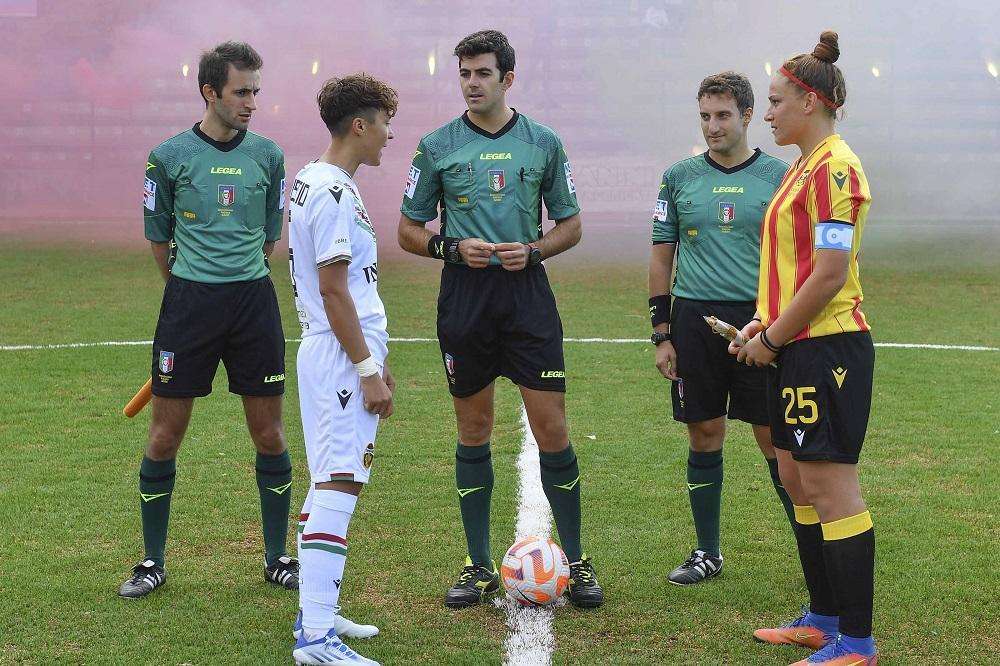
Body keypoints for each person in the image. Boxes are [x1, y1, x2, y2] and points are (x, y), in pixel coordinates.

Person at [397, 29, 603, 609]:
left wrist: (534, 250)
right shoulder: (436, 146)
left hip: (526, 298)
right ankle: (478, 564)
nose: (471, 83)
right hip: (465, 299)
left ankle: (579, 561)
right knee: (473, 430)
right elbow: (408, 230)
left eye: (482, 73)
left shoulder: (543, 143)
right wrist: (449, 249)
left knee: (552, 429)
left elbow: (572, 225)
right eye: (464, 73)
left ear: (507, 79)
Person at [120, 41, 295, 598]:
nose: (251, 102)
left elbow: (272, 234)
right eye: (241, 91)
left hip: (252, 305)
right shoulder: (168, 156)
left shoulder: (268, 155)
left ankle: (276, 557)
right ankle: (151, 561)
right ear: (209, 92)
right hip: (189, 306)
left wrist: (235, 281)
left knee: (269, 434)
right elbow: (158, 238)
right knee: (165, 434)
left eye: (255, 92)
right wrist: (192, 291)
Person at [733, 31, 878, 666]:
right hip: (793, 342)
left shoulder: (837, 166)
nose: (766, 114)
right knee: (795, 476)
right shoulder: (803, 165)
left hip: (828, 346)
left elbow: (827, 273)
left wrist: (772, 335)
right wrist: (761, 324)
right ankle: (821, 619)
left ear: (810, 101)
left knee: (829, 483)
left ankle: (858, 643)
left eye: (774, 102)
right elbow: (791, 268)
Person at [648, 71, 794, 585]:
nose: (713, 126)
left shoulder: (781, 175)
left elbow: (796, 255)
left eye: (724, 115)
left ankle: (811, 549)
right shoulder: (679, 177)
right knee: (704, 431)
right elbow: (662, 255)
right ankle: (707, 552)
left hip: (760, 321)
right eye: (706, 116)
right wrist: (661, 331)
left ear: (748, 115)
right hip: (692, 320)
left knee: (774, 438)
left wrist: (780, 323)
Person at [287, 73, 397, 666]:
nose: (388, 135)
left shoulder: (316, 180)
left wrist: (373, 360)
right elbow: (333, 290)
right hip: (336, 354)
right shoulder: (330, 191)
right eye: (383, 123)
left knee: (329, 477)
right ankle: (316, 639)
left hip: (337, 353)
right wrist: (366, 367)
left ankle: (316, 614)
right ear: (360, 124)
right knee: (339, 480)